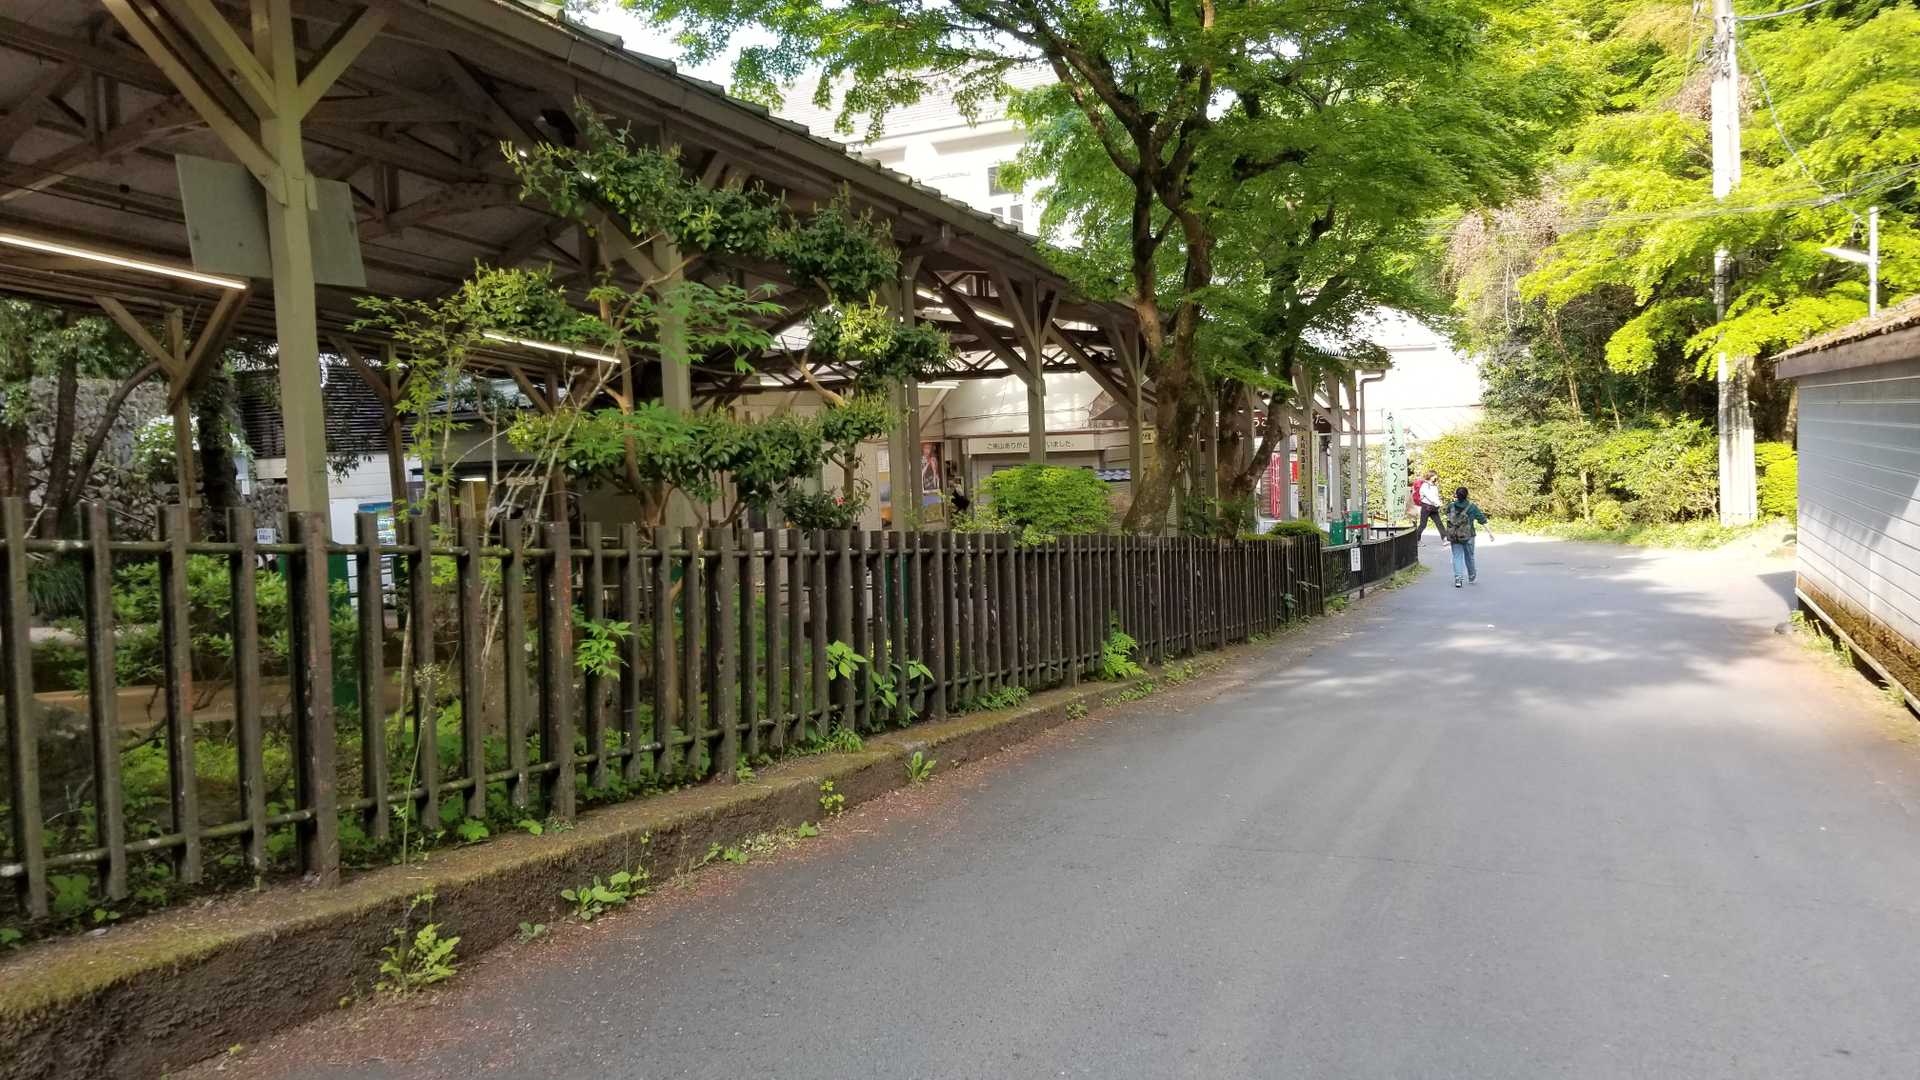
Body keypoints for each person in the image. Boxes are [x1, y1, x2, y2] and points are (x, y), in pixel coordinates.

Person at [1443, 485, 1492, 587]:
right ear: (1467, 495)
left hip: (1454, 535)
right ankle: (1471, 576)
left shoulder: (1451, 506)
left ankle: (1458, 579)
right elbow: (1482, 520)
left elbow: (1448, 516)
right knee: (1469, 556)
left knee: (1457, 556)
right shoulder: (1472, 507)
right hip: (1469, 536)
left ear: (1456, 495)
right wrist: (1490, 533)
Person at [1410, 470, 1445, 541]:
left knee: (1439, 523)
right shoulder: (1425, 485)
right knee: (1423, 525)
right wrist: (1438, 503)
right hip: (1426, 507)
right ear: (1431, 476)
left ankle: (1445, 538)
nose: (1436, 477)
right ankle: (1416, 540)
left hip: (1433, 507)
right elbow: (1429, 496)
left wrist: (1437, 503)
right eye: (1434, 476)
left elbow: (1435, 496)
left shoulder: (1434, 485)